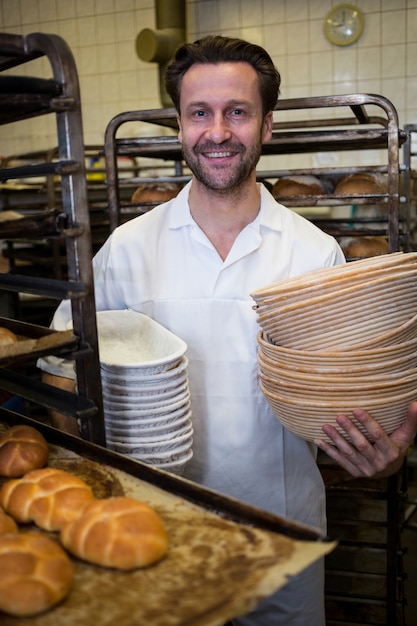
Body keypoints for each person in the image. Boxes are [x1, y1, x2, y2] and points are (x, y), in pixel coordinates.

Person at [38, 35, 417, 625]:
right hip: (152, 528)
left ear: (266, 125)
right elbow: (61, 369)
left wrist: (382, 454)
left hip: (281, 533)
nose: (217, 131)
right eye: (199, 113)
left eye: (237, 112)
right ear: (180, 126)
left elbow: (354, 402)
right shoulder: (127, 251)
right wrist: (80, 472)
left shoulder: (314, 255)